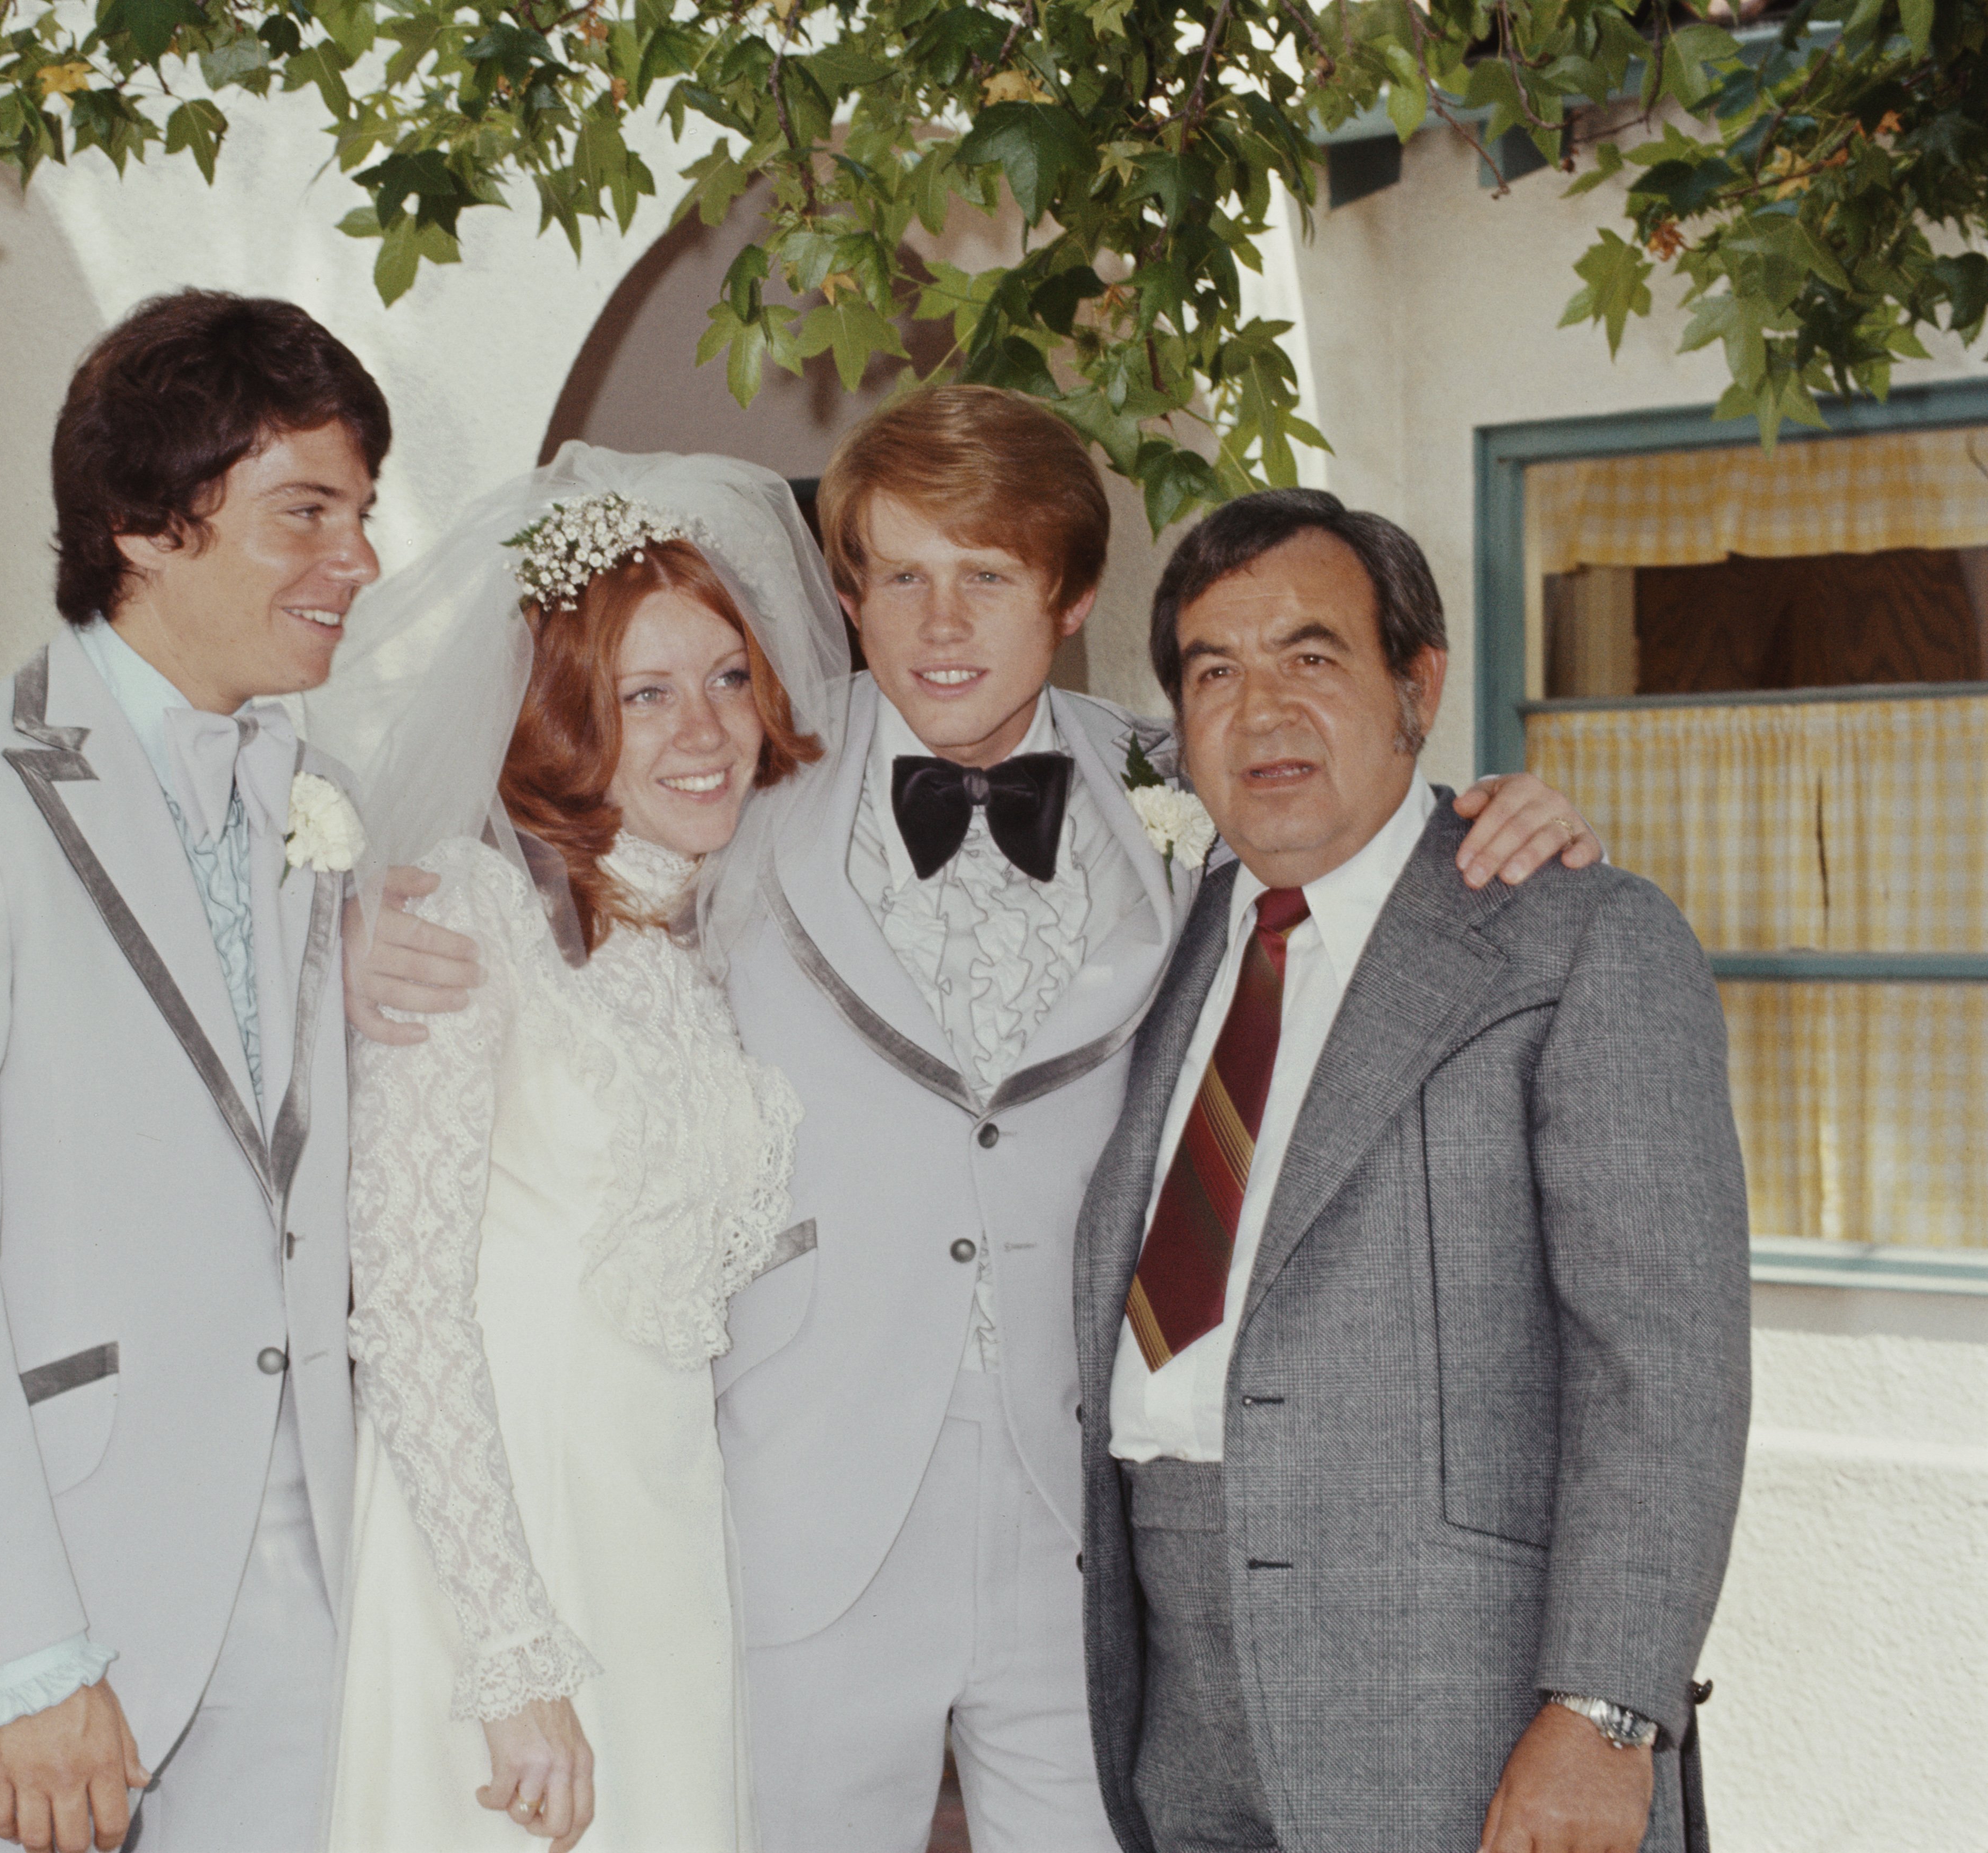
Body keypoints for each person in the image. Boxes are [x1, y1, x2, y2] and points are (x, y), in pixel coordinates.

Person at [349, 387, 1602, 1853]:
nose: (941, 624)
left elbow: (1339, 815)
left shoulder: (1175, 775)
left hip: (1082, 1528)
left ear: (1068, 599)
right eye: (899, 577)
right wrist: (354, 936)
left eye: (988, 577)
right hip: (786, 1519)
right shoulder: (745, 771)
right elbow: (561, 859)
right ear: (845, 596)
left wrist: (1499, 819)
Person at [0, 289, 382, 1853]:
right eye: (307, 512)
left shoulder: (322, 800)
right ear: (142, 523)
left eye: (364, 514)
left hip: (308, 1594)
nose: (361, 563)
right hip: (56, 1599)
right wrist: (18, 1651)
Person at [1075, 488, 1750, 1853]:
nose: (1261, 710)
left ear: (1417, 685)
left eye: (1312, 657)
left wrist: (1607, 1715)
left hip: (1466, 1722)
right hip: (1176, 1721)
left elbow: (1664, 1376)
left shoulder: (1575, 939)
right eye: (1216, 670)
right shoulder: (1153, 937)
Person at [308, 446, 850, 1853]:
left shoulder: (691, 944)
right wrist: (510, 1656)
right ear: (561, 716)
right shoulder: (469, 920)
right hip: (511, 1558)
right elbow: (410, 1306)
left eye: (728, 679)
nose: (707, 730)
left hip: (666, 1539)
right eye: (645, 694)